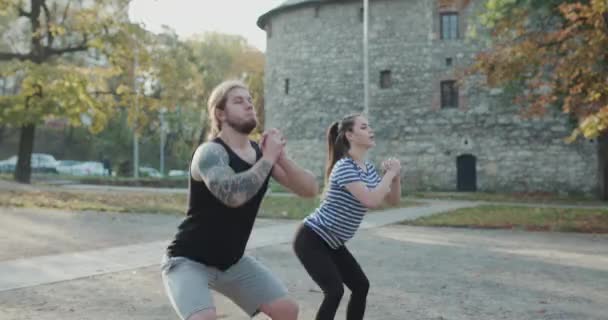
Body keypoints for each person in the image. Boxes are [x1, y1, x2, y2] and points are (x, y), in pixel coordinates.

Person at [161, 79, 319, 320]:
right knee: (204, 318)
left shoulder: (260, 154)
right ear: (220, 113)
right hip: (188, 260)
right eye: (238, 101)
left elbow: (310, 190)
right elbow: (233, 196)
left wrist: (281, 158)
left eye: (249, 100)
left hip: (231, 262)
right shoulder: (210, 153)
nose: (248, 105)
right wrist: (268, 159)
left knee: (287, 311)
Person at [293, 114, 401, 320]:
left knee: (361, 286)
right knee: (334, 291)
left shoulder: (367, 169)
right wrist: (389, 174)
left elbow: (392, 202)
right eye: (364, 127)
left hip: (332, 243)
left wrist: (395, 178)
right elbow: (370, 200)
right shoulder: (344, 167)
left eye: (369, 126)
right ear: (350, 135)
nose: (370, 130)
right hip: (311, 239)